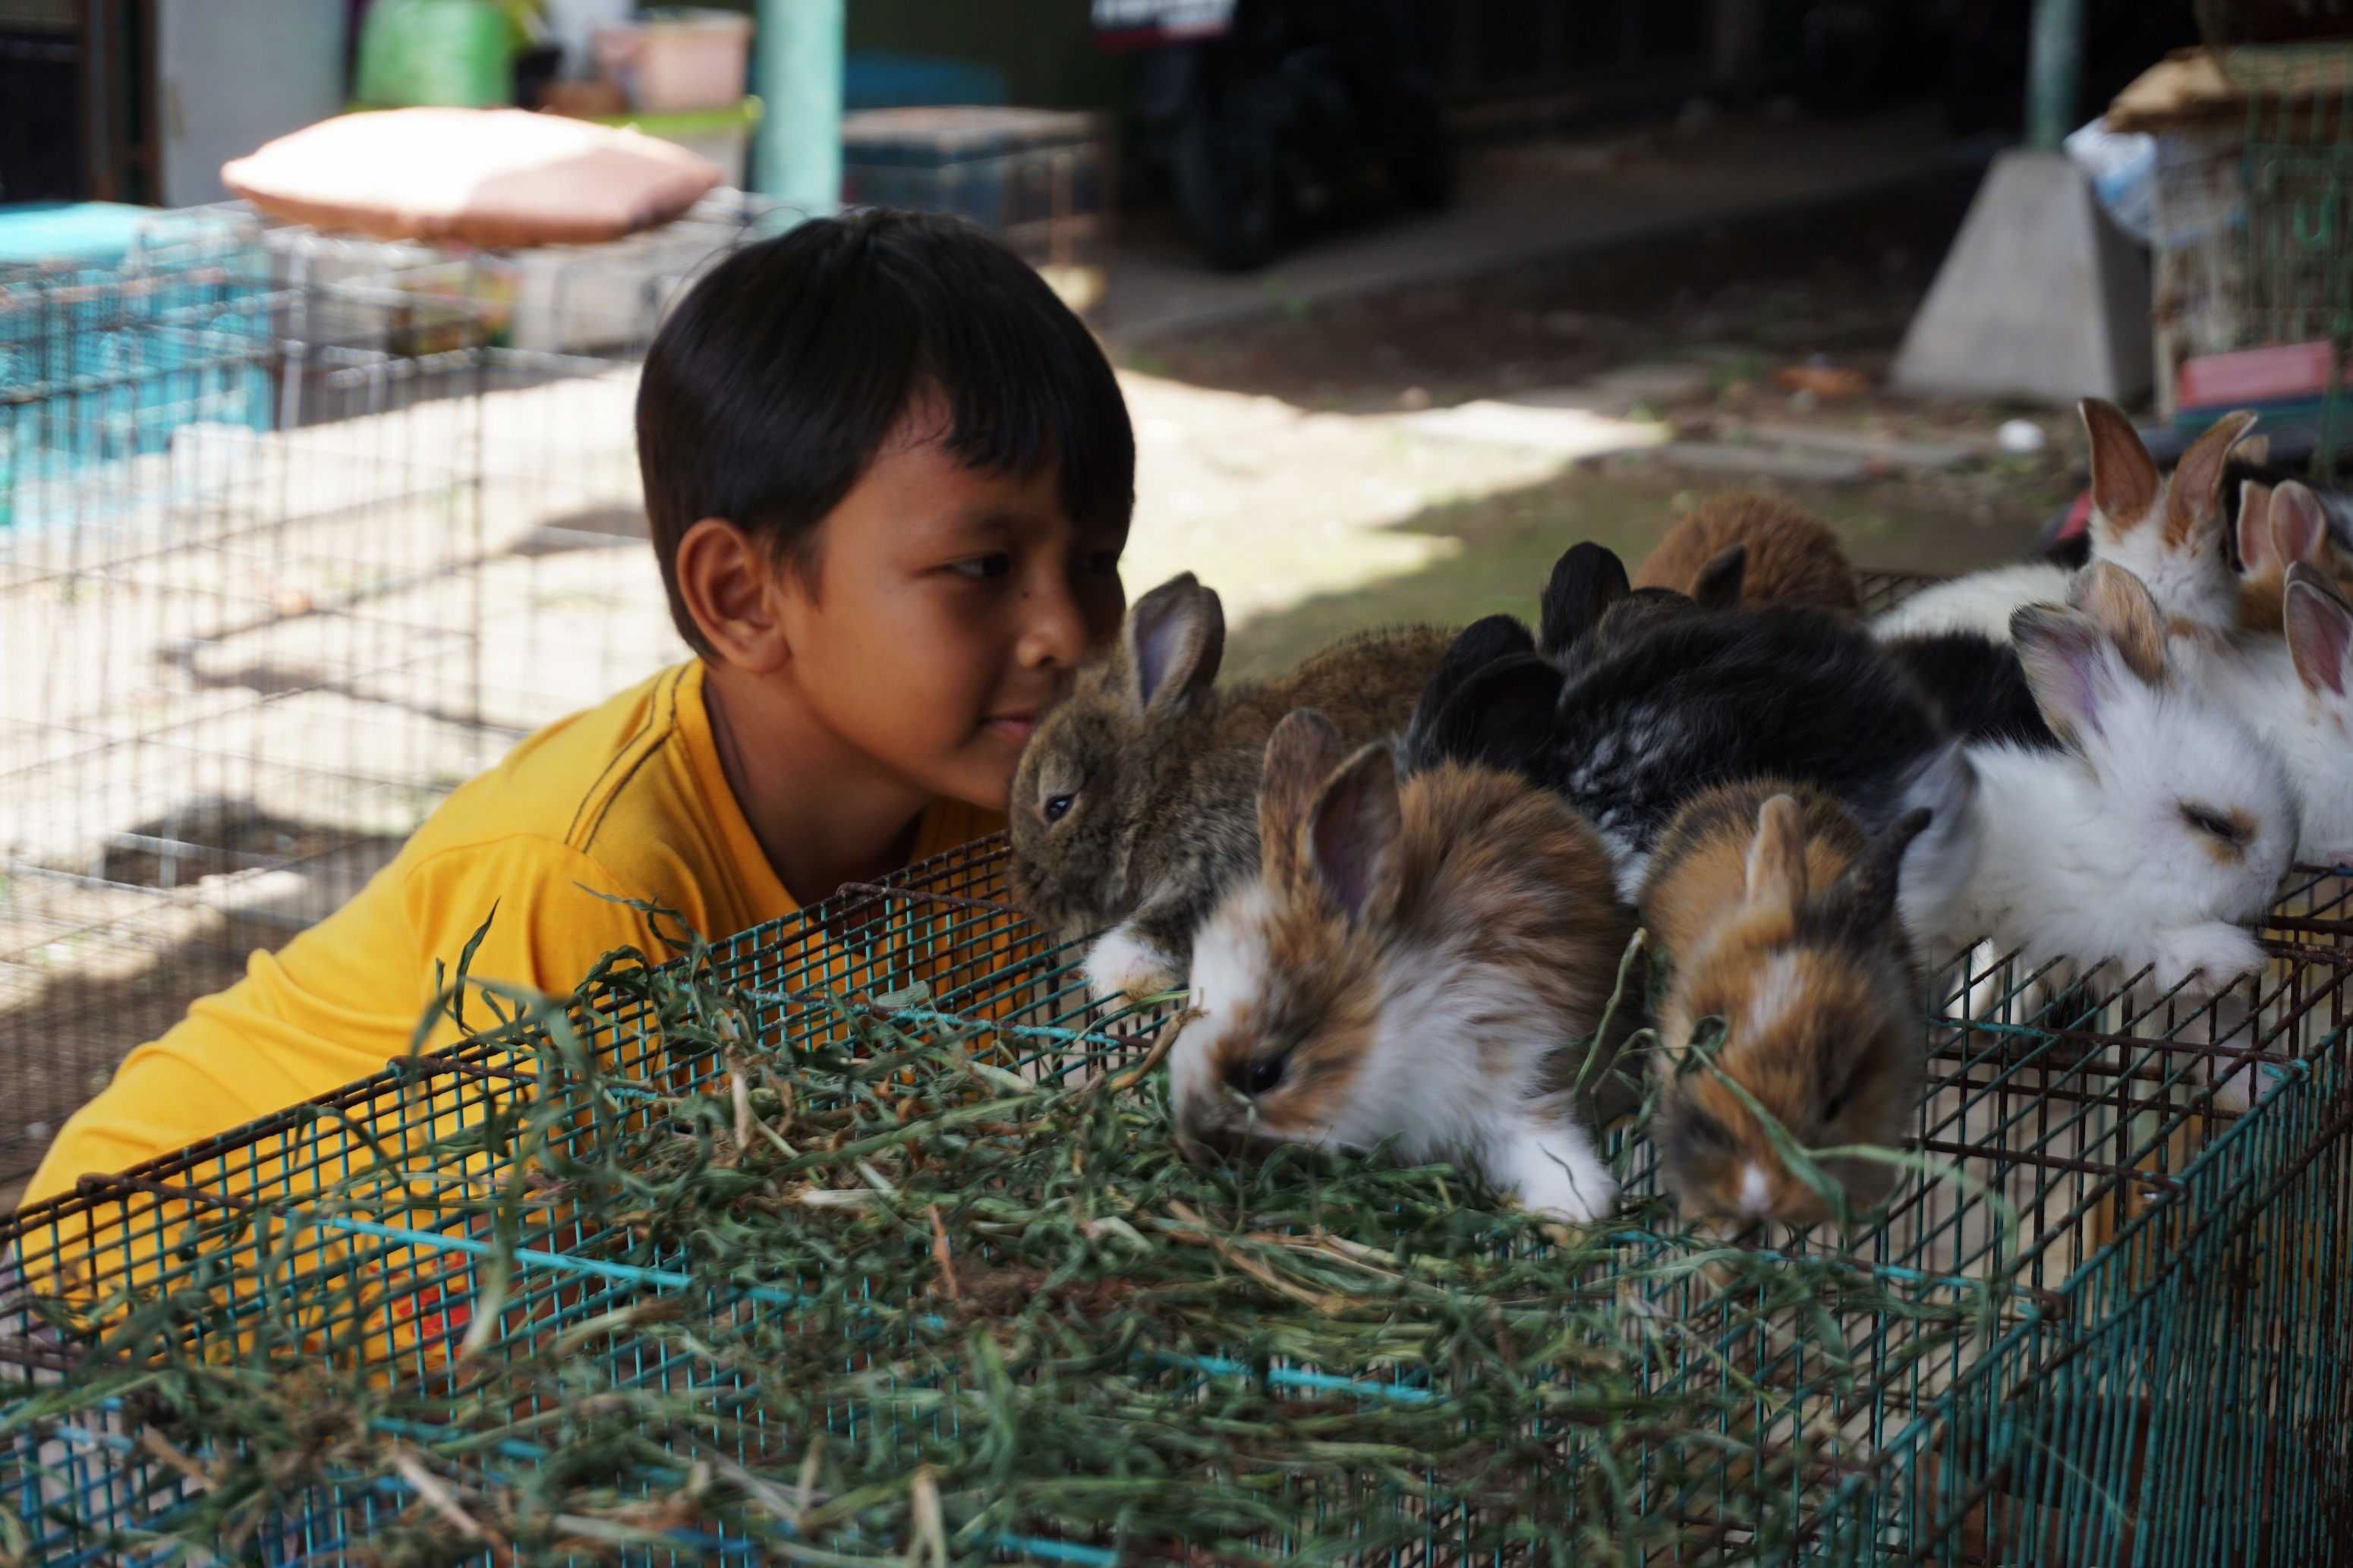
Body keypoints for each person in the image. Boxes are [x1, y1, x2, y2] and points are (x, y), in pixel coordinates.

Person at [24, 212, 1135, 1204]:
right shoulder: (590, 875)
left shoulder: (1003, 817)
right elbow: (555, 1274)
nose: (1070, 632)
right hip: (147, 1295)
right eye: (986, 567)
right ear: (743, 599)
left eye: (1095, 557)